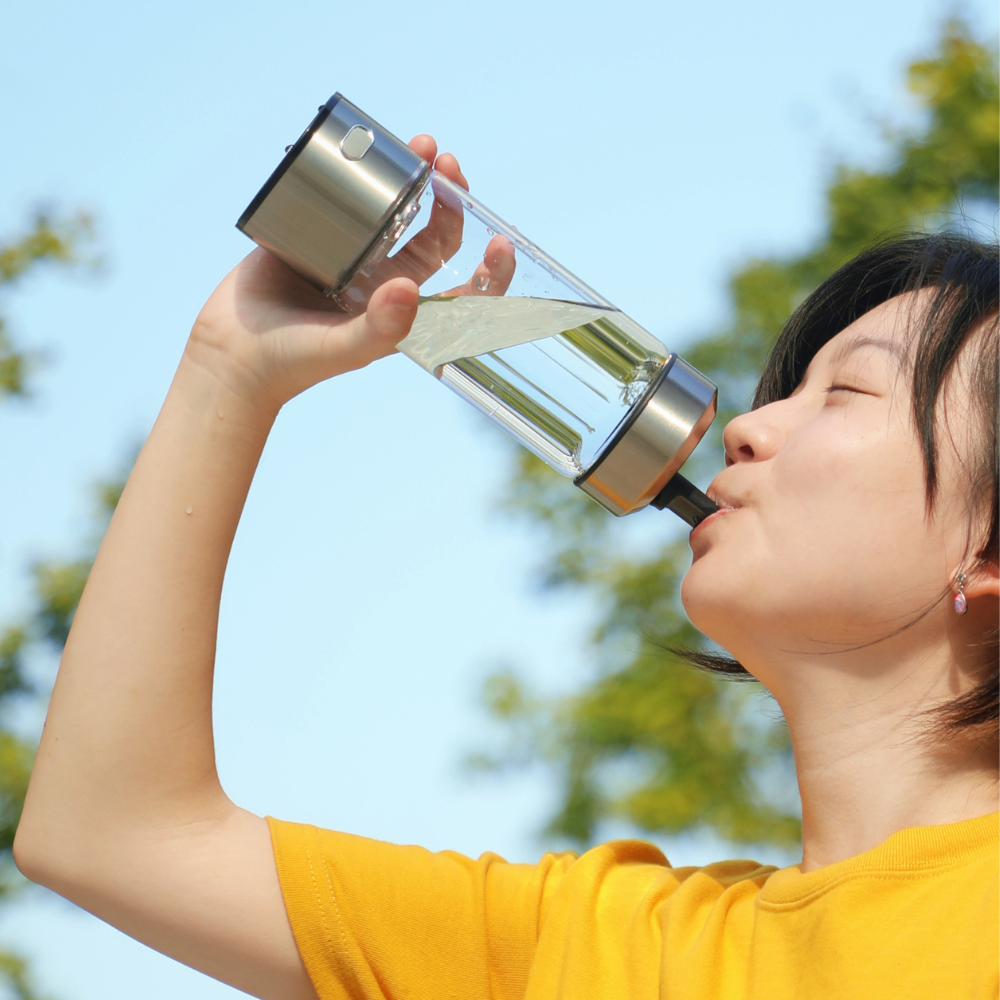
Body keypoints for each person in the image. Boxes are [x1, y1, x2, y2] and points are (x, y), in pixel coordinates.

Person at [13, 136, 999, 1000]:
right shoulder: (590, 943)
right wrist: (233, 365)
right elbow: (109, 831)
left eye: (847, 392)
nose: (744, 427)